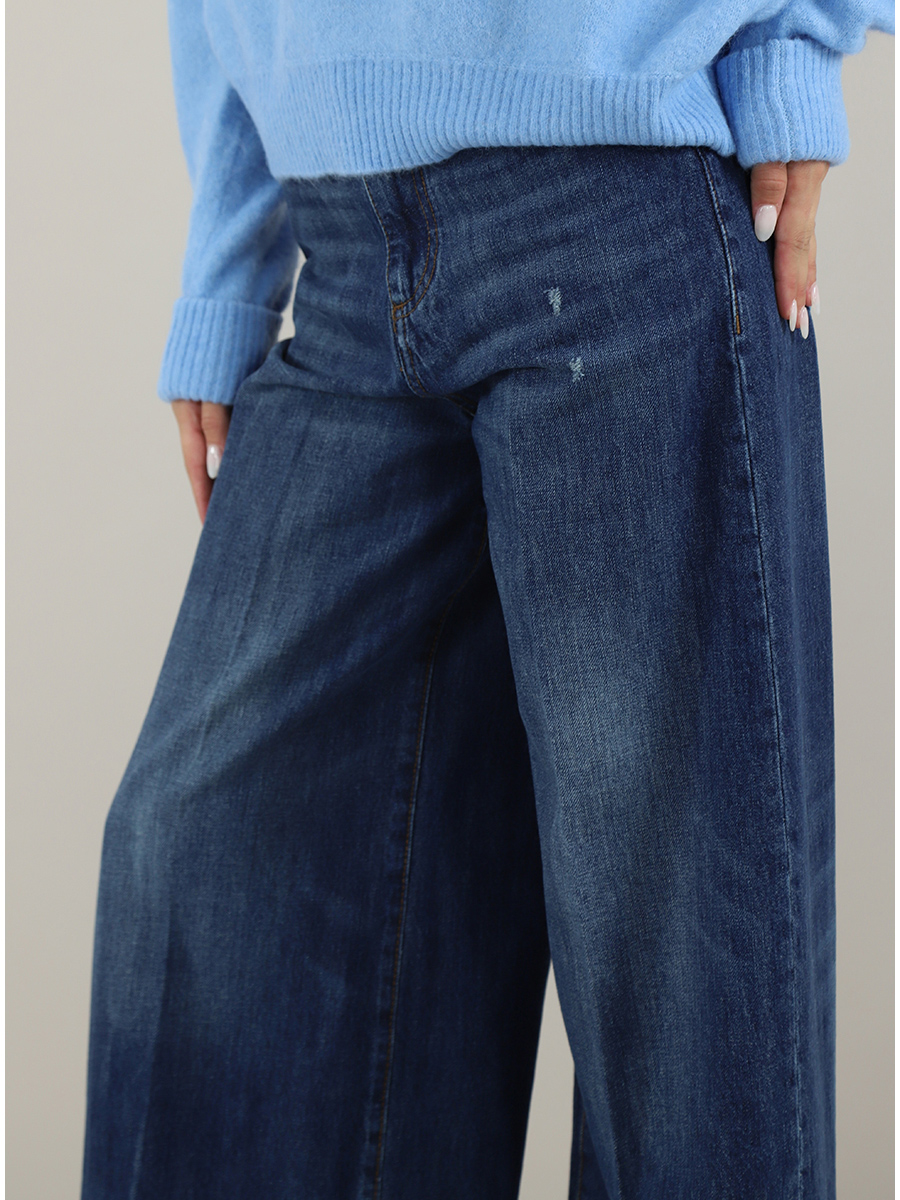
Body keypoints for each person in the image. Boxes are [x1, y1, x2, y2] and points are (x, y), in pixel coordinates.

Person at [80, 2, 893, 1197]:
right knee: (208, 866)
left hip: (621, 193)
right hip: (342, 248)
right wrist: (227, 254)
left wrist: (791, 39)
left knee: (674, 993)